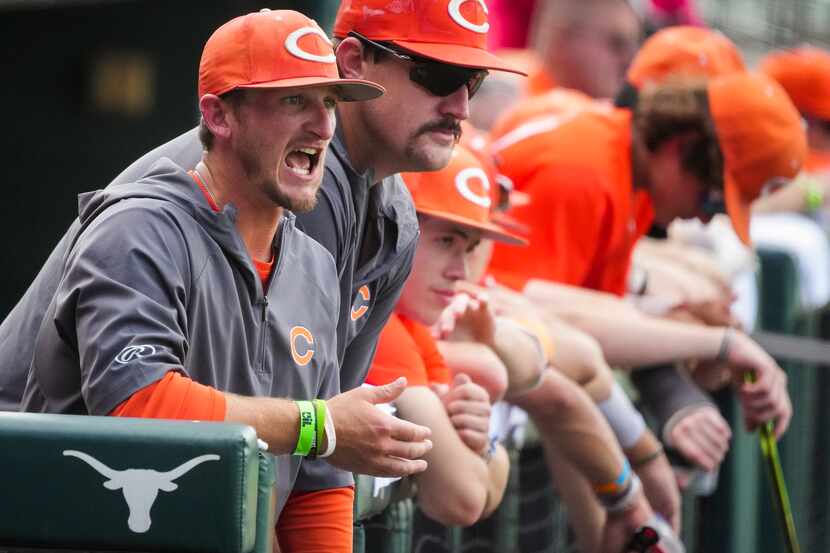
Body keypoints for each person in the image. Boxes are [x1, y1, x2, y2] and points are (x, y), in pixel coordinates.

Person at [0, 1, 524, 550]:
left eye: (329, 102)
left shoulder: (322, 255)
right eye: (294, 100)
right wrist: (317, 427)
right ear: (220, 117)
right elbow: (147, 410)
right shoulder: (142, 226)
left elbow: (320, 464)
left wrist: (323, 430)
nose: (323, 125)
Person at [486, 70, 802, 440]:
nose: (703, 218)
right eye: (712, 198)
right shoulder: (585, 172)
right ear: (681, 147)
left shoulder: (629, 175)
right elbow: (526, 315)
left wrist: (682, 320)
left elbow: (593, 311)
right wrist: (718, 344)